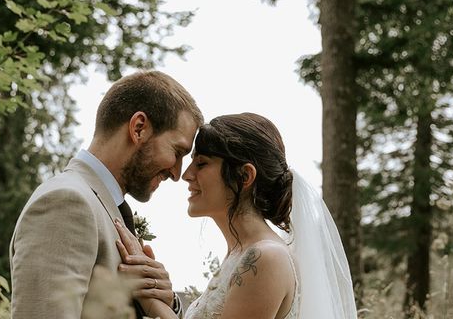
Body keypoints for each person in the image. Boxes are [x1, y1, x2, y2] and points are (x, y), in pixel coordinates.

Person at [115, 112, 358, 319]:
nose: (186, 175)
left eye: (201, 163)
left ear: (244, 176)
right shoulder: (242, 254)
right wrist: (165, 298)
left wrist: (151, 302)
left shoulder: (266, 258)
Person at [10, 70, 203, 319]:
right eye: (177, 151)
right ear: (139, 128)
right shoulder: (66, 202)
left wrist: (163, 301)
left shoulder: (102, 207)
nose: (177, 173)